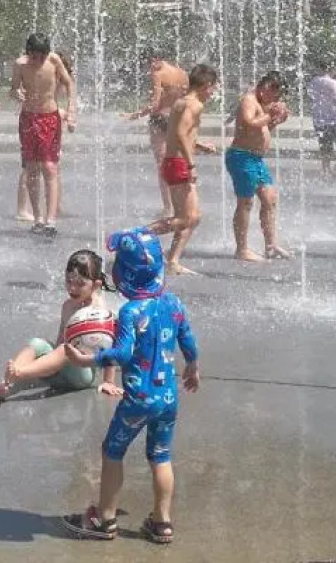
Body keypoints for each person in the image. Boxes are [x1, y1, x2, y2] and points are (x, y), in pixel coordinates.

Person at [62, 227, 199, 545]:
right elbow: (188, 340)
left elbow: (122, 354)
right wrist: (192, 367)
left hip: (138, 399)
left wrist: (87, 361)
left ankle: (105, 519)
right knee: (161, 456)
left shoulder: (131, 312)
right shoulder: (173, 303)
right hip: (168, 399)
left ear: (123, 275)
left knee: (112, 450)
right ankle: (162, 522)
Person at [0, 249, 120, 402]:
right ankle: (9, 384)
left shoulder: (99, 310)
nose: (72, 288)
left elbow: (109, 347)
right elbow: (61, 337)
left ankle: (19, 374)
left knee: (65, 349)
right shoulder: (67, 306)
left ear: (96, 285)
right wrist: (51, 362)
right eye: (69, 281)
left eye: (80, 284)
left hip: (83, 374)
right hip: (63, 368)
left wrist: (108, 381)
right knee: (38, 343)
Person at [151, 64, 218, 276]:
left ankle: (172, 261)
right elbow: (180, 134)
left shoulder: (180, 102)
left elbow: (178, 135)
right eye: (212, 88)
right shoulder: (194, 105)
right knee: (188, 217)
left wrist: (199, 145)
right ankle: (139, 234)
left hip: (172, 162)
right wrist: (191, 164)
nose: (213, 93)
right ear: (206, 85)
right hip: (179, 164)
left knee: (191, 217)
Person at [11, 34, 76, 234]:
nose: (38, 61)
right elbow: (13, 89)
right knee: (31, 168)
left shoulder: (54, 60)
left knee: (49, 167)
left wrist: (71, 109)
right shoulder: (20, 64)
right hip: (29, 118)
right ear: (28, 52)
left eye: (42, 57)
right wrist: (16, 93)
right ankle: (37, 218)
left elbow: (69, 83)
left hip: (50, 118)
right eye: (35, 57)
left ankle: (51, 220)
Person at [226, 73, 292, 263]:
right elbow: (248, 123)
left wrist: (276, 120)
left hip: (255, 159)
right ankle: (242, 249)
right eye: (275, 95)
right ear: (266, 87)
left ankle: (271, 246)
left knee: (270, 199)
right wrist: (270, 114)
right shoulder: (249, 99)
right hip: (241, 157)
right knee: (245, 203)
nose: (275, 100)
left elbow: (261, 130)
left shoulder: (261, 104)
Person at [126, 53, 188, 220]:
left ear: (155, 60)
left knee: (163, 165)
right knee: (178, 163)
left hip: (160, 120)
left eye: (149, 64)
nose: (149, 69)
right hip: (176, 119)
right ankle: (182, 205)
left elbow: (155, 104)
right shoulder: (181, 73)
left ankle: (168, 208)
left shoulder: (158, 74)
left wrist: (134, 115)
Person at [308, 60, 336, 177]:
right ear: (330, 69)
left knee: (325, 149)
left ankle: (325, 173)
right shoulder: (333, 83)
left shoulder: (313, 81)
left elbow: (312, 98)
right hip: (335, 121)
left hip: (319, 121)